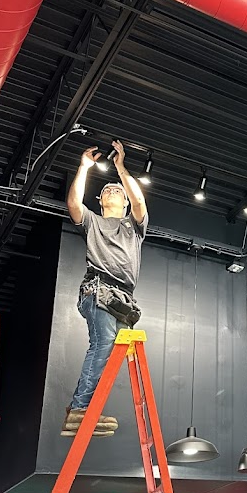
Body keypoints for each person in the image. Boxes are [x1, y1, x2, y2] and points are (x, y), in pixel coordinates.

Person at [62, 140, 148, 437]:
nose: (114, 190)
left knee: (116, 353)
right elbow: (74, 205)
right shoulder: (93, 221)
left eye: (119, 191)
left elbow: (139, 201)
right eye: (108, 189)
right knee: (103, 344)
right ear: (100, 200)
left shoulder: (134, 226)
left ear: (124, 202)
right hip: (98, 289)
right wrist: (84, 168)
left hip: (123, 298)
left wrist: (121, 168)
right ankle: (79, 409)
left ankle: (86, 409)